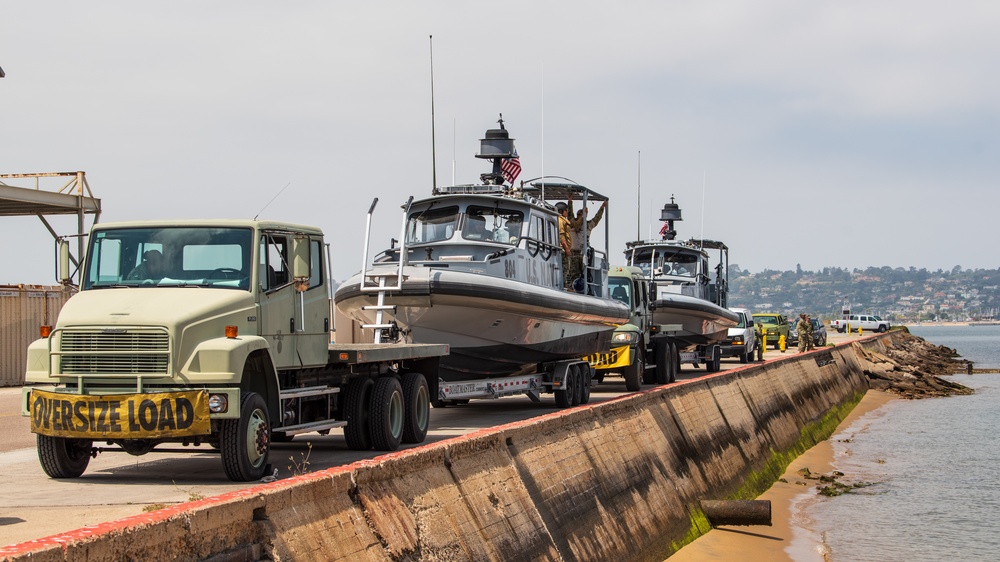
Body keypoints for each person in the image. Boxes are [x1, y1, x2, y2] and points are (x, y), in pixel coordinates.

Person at [568, 200, 607, 288]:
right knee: (573, 273)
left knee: (584, 274)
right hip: (573, 253)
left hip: (583, 253)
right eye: (578, 215)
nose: (579, 216)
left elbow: (597, 218)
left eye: (581, 215)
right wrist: (570, 201)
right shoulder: (573, 224)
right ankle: (573, 287)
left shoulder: (588, 225)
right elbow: (570, 214)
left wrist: (602, 208)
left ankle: (583, 288)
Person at [556, 202, 573, 289]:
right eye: (566, 210)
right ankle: (563, 284)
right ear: (562, 211)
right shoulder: (560, 221)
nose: (567, 212)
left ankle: (564, 283)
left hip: (563, 248)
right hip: (563, 249)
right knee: (565, 268)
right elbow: (561, 235)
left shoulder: (562, 220)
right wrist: (566, 248)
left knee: (566, 268)